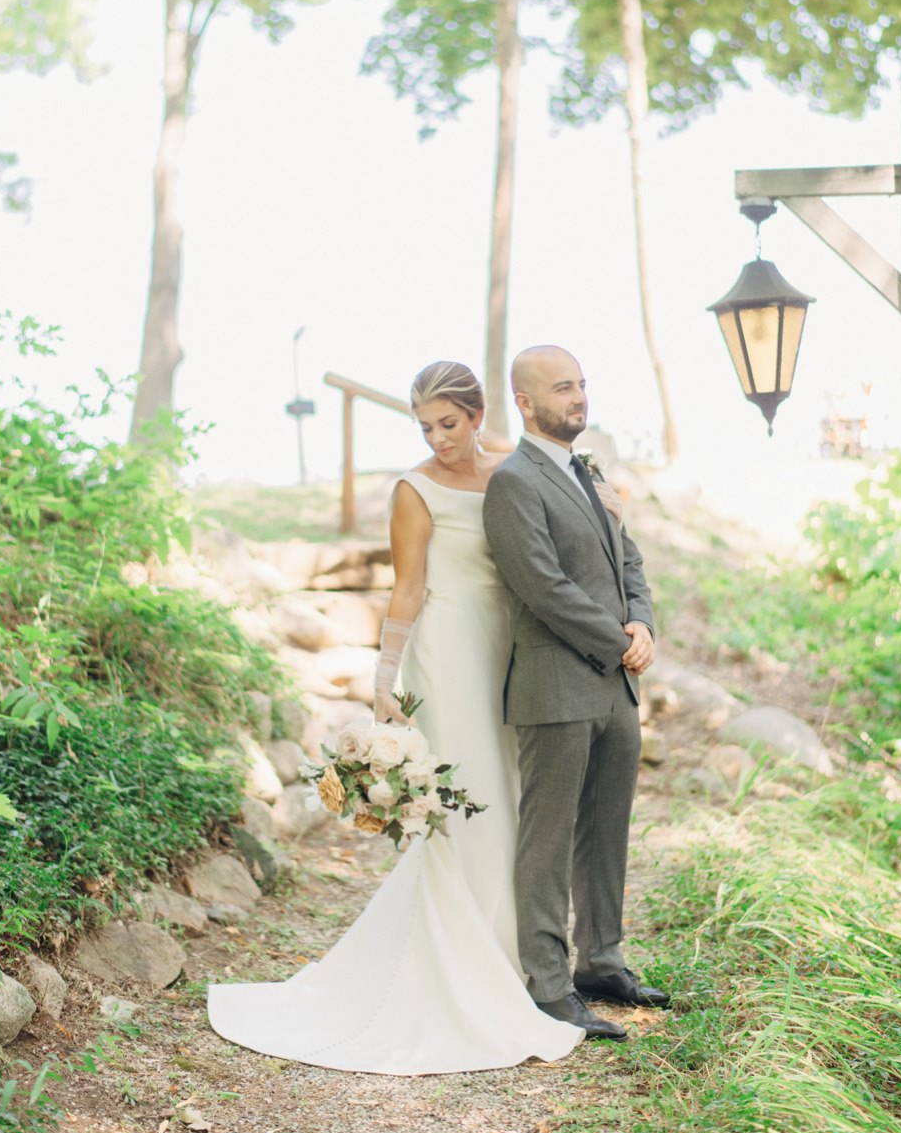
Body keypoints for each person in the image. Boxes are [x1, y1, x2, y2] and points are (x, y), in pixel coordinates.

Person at [208, 361, 605, 1074]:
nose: (437, 438)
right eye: (425, 427)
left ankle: (523, 959)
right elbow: (408, 588)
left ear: (478, 414)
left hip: (513, 652)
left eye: (448, 423)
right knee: (475, 807)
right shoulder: (414, 489)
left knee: (519, 802)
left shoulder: (515, 475)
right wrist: (384, 678)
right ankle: (471, 972)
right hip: (449, 656)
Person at [483, 346, 667, 1039]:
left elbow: (629, 560)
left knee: (606, 829)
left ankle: (603, 963)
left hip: (616, 688)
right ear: (525, 401)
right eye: (563, 389)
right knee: (549, 839)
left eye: (582, 385)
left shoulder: (588, 474)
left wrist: (643, 623)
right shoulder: (513, 482)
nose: (579, 398)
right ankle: (551, 985)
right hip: (555, 685)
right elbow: (541, 585)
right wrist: (618, 639)